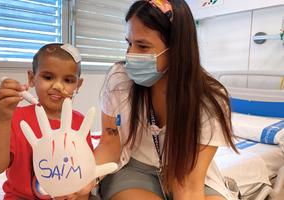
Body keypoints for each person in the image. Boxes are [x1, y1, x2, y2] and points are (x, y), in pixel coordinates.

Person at [93, 0, 238, 200]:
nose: (130, 55)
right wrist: (87, 177)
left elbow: (188, 185)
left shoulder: (209, 100)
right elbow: (109, 143)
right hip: (135, 168)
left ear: (176, 48)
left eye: (142, 46)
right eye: (129, 43)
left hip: (187, 172)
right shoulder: (120, 79)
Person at [0, 43, 94, 200]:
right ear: (31, 78)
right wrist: (2, 118)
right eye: (48, 77)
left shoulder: (81, 123)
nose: (57, 86)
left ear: (78, 85)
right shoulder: (15, 118)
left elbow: (85, 172)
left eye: (68, 80)